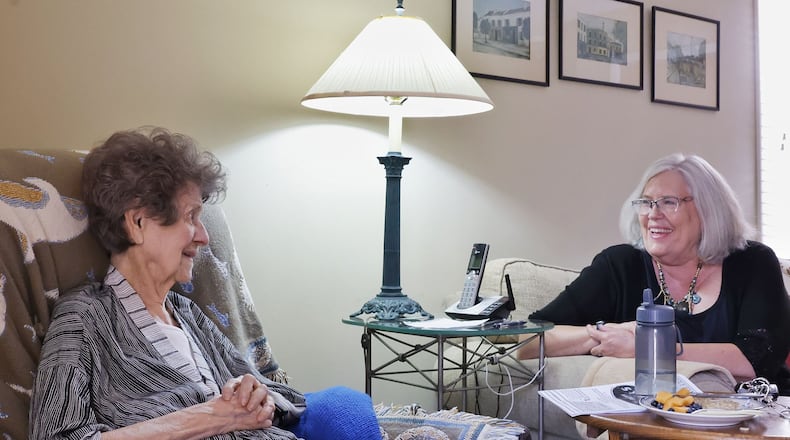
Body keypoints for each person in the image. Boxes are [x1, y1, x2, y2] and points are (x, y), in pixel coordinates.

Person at [29, 127, 381, 439]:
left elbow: (267, 393)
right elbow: (58, 435)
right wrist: (210, 417)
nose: (205, 237)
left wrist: (255, 395)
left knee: (345, 405)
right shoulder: (84, 317)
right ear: (136, 223)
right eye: (191, 217)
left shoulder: (185, 312)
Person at [519, 153, 790, 393]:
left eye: (669, 202)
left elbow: (755, 360)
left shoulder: (753, 261)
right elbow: (529, 340)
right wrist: (604, 336)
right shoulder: (619, 265)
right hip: (656, 416)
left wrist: (646, 348)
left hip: (756, 416)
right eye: (646, 203)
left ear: (709, 210)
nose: (653, 214)